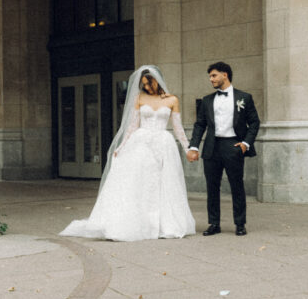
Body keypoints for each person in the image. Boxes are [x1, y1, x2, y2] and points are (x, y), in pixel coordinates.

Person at [60, 65, 196, 241]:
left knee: (165, 183)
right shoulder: (140, 98)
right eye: (144, 84)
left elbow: (178, 128)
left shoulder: (171, 100)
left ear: (158, 80)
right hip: (141, 143)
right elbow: (133, 125)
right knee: (140, 182)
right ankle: (141, 222)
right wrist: (121, 146)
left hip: (163, 143)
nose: (147, 87)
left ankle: (165, 223)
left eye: (149, 83)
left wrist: (187, 149)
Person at [187, 61, 261, 236]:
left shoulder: (244, 97)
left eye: (214, 75)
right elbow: (200, 125)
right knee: (212, 187)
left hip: (233, 145)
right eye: (210, 76)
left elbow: (255, 122)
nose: (211, 79)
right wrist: (194, 147)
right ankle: (214, 223)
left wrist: (245, 144)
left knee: (237, 186)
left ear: (225, 75)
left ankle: (240, 224)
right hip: (212, 147)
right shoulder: (206, 100)